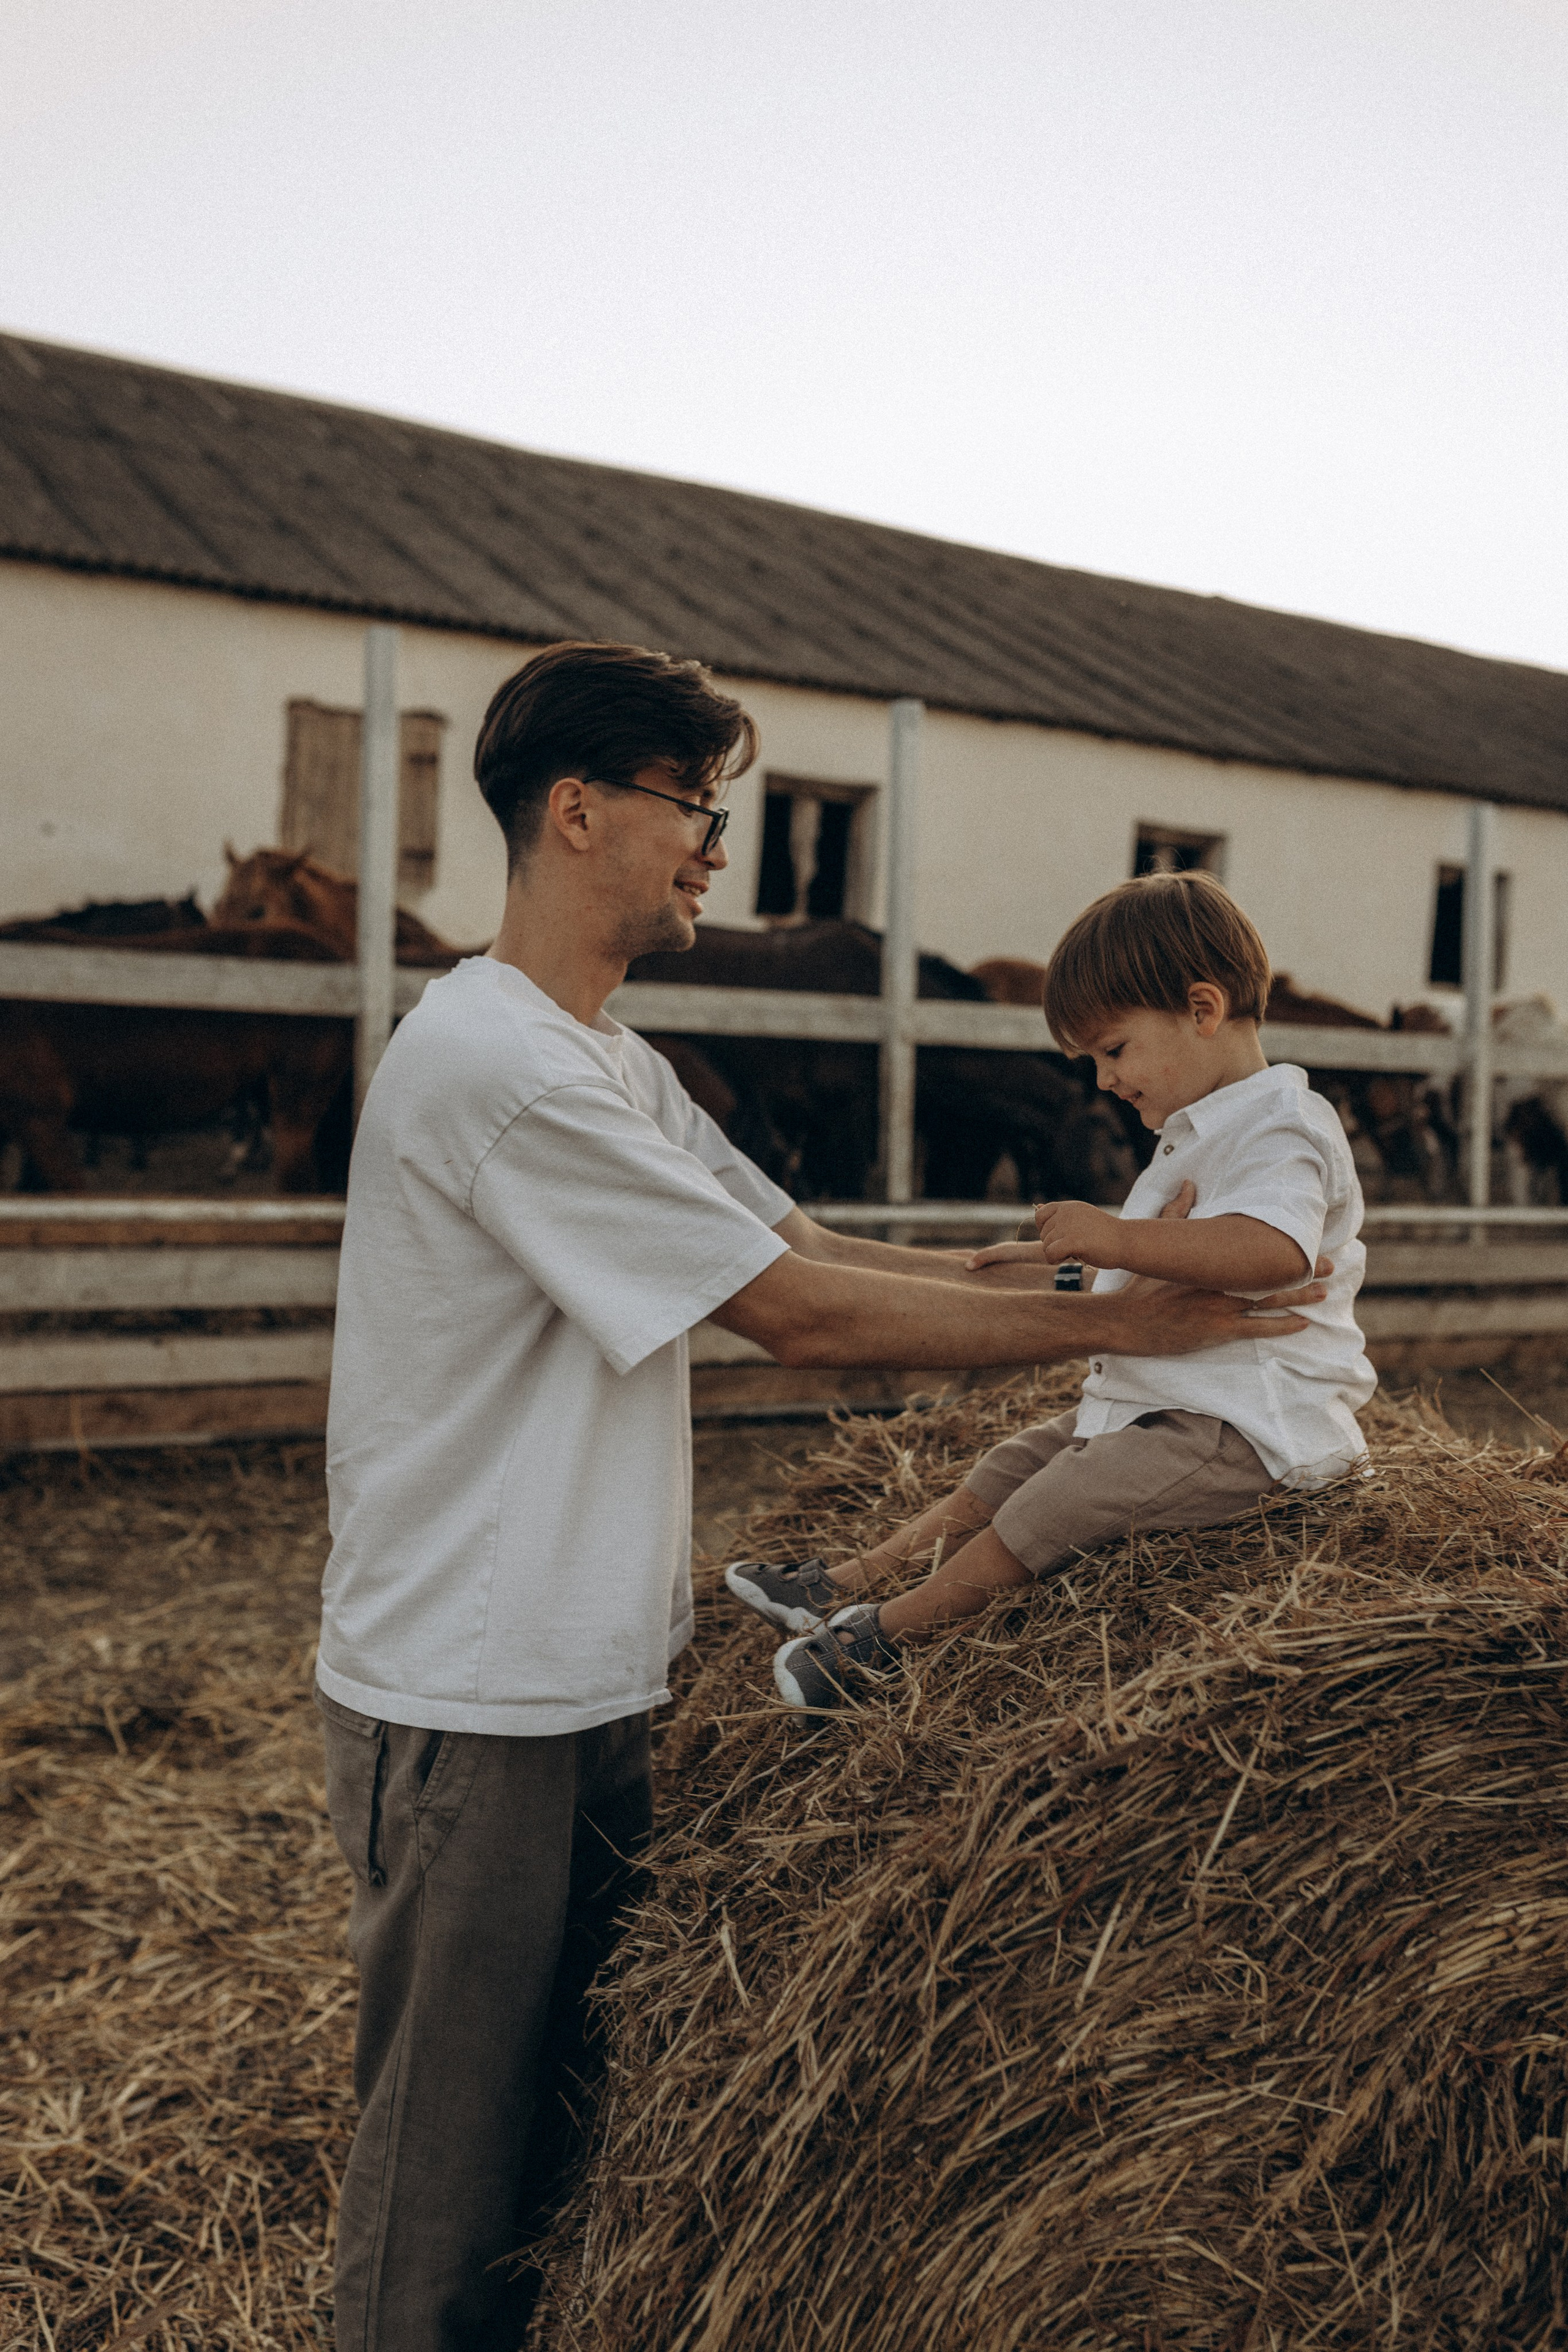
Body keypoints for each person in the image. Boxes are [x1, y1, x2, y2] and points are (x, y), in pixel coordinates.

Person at [314, 645, 1328, 2351]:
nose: (719, 850)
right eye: (697, 811)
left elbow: (802, 1241)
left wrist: (1081, 1298)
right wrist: (1138, 1323)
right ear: (580, 813)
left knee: (550, 2161)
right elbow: (801, 1322)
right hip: (469, 1690)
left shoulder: (606, 1061)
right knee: (438, 2201)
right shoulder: (503, 1070)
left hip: (578, 1672)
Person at [730, 869, 1374, 1711]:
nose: (1104, 1081)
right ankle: (845, 1580)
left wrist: (1114, 1234)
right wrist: (1051, 1272)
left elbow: (1272, 1250)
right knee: (1016, 1462)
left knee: (1062, 1497)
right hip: (1174, 1400)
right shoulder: (1199, 1130)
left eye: (1114, 1051)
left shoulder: (1282, 1127)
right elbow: (1153, 1273)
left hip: (1249, 1429)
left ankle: (885, 1637)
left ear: (1204, 1011)